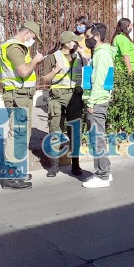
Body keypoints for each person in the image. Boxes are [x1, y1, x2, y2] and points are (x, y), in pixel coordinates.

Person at [0, 21, 45, 189]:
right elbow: (23, 71)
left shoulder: (14, 46)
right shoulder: (15, 47)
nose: (32, 40)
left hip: (21, 95)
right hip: (18, 96)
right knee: (17, 134)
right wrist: (36, 60)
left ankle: (17, 171)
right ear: (27, 33)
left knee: (21, 134)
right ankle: (11, 176)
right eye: (32, 37)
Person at [41, 31, 88, 177]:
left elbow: (87, 72)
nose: (77, 43)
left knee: (74, 131)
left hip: (75, 96)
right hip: (57, 96)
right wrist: (55, 70)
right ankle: (54, 165)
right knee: (55, 130)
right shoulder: (53, 57)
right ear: (67, 43)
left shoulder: (79, 56)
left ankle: (75, 164)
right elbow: (44, 79)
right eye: (74, 41)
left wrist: (83, 56)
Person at [82, 23, 115, 188]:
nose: (86, 39)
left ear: (97, 37)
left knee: (97, 138)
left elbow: (98, 80)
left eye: (88, 37)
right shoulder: (101, 53)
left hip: (97, 100)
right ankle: (105, 172)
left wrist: (91, 102)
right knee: (99, 137)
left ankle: (102, 175)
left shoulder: (102, 55)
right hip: (100, 99)